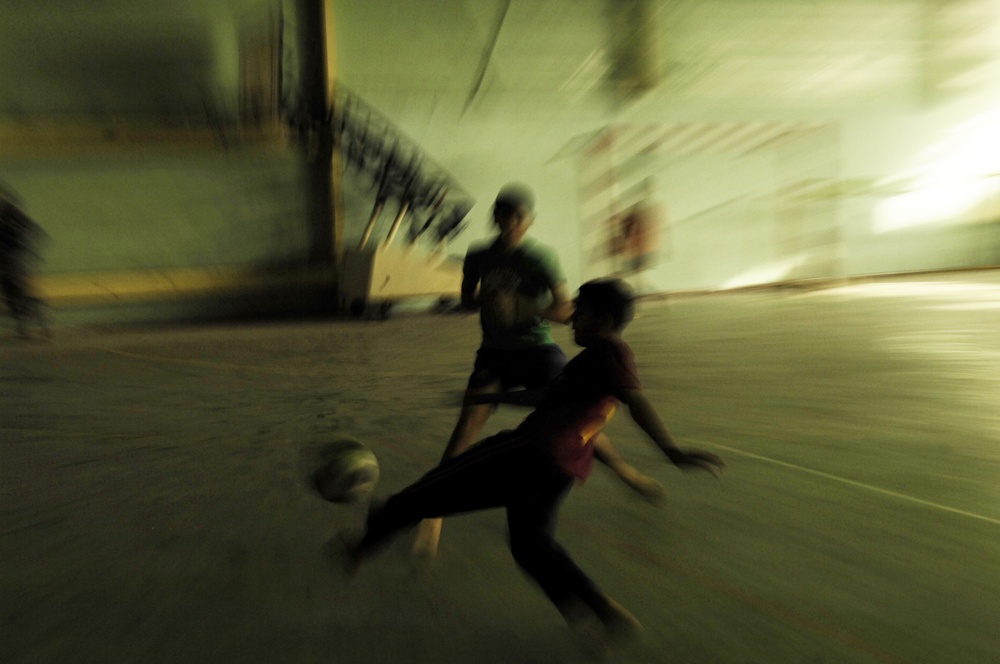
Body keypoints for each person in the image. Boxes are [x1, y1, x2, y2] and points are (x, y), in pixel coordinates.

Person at [340, 278, 724, 652]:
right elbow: (547, 395)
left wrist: (671, 451)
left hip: (528, 453)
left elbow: (636, 402)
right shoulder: (594, 359)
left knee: (429, 491)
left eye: (580, 311)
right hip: (561, 467)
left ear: (604, 321)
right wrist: (488, 398)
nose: (570, 318)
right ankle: (605, 612)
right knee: (531, 546)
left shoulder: (610, 351)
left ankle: (360, 548)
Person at [413, 183, 660, 557]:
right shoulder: (479, 255)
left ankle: (623, 470)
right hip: (493, 353)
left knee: (575, 418)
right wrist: (487, 300)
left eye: (518, 217)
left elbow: (565, 309)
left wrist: (524, 309)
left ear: (528, 221)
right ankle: (433, 516)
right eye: (504, 214)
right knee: (465, 430)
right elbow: (465, 298)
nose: (511, 223)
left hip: (537, 350)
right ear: (495, 217)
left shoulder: (540, 257)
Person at [0, 185, 48, 340]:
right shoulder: (10, 213)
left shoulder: (10, 214)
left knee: (16, 292)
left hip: (12, 259)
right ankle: (27, 326)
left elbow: (30, 230)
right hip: (9, 260)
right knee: (12, 293)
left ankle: (28, 326)